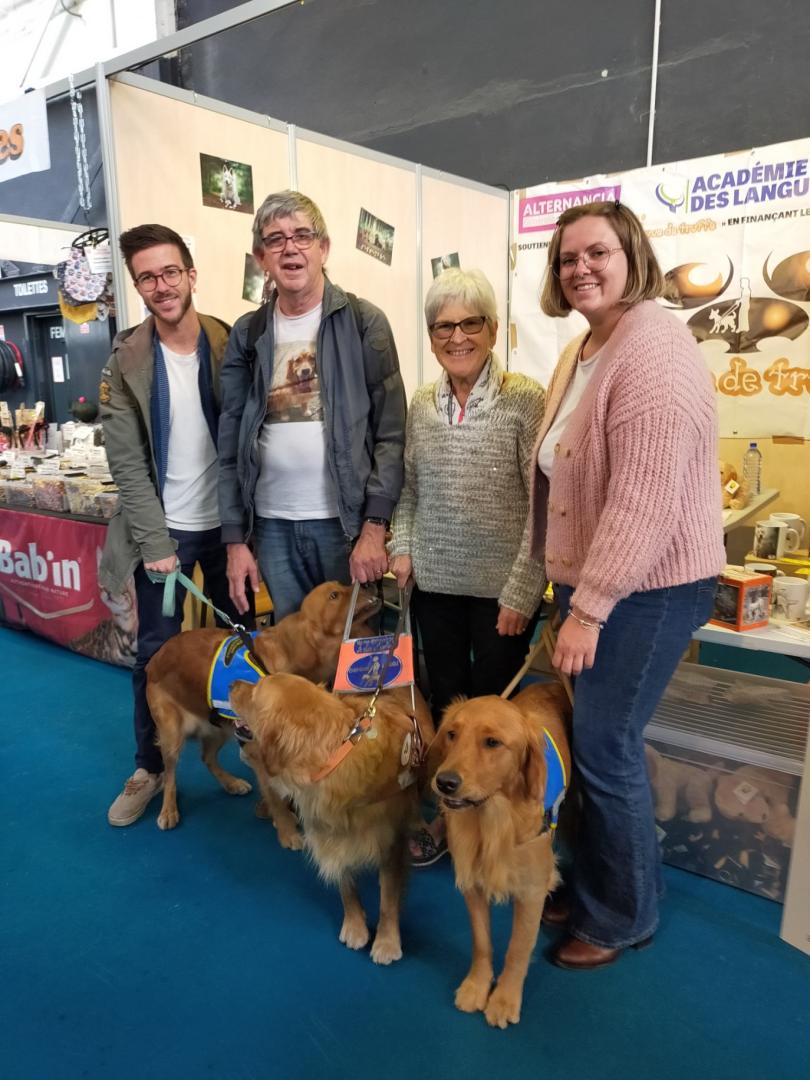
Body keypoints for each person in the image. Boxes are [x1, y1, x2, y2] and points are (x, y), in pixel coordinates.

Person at [530, 200, 725, 968]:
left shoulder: (653, 350)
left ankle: (621, 916)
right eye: (568, 257)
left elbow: (641, 503)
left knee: (607, 745)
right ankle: (592, 883)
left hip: (648, 588)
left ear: (631, 255)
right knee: (591, 741)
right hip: (598, 588)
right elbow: (559, 483)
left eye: (597, 253)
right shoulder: (585, 350)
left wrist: (588, 610)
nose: (581, 268)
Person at [389, 268, 546, 864]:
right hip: (434, 585)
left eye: (470, 323)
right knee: (450, 711)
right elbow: (408, 491)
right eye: (443, 326)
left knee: (497, 719)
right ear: (431, 337)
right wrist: (403, 547)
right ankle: (453, 822)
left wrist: (523, 590)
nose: (457, 337)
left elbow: (544, 503)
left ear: (493, 328)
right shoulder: (422, 405)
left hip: (502, 594)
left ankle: (502, 829)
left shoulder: (525, 400)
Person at [100, 224, 248, 827]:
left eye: (169, 272)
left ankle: (260, 756)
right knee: (156, 656)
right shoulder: (127, 357)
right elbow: (127, 461)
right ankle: (149, 768)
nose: (161, 286)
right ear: (139, 287)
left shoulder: (231, 340)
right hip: (164, 533)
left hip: (229, 528)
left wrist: (245, 531)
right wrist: (156, 545)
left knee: (241, 643)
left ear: (191, 274)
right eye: (147, 278)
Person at [218, 191, 406, 620]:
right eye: (276, 239)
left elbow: (392, 436)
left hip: (345, 528)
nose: (290, 248)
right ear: (261, 256)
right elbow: (230, 445)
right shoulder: (248, 334)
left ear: (324, 248)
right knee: (295, 659)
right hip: (271, 528)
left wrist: (375, 528)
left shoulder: (364, 322)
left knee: (356, 660)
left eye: (303, 235)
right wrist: (235, 540)